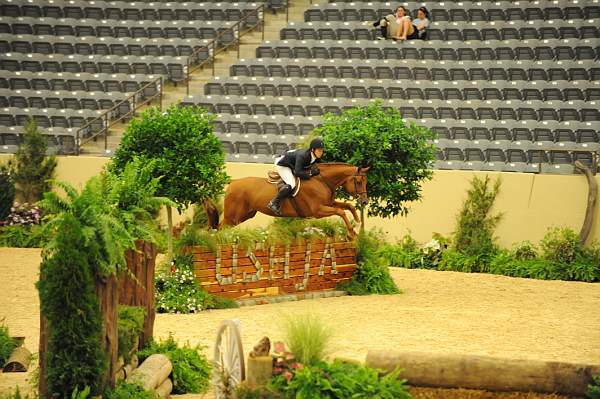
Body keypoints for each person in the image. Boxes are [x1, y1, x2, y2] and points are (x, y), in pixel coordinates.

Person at [267, 137, 324, 215]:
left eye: (322, 150)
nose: (321, 152)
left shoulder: (315, 156)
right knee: (291, 184)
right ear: (312, 150)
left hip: (291, 162)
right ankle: (274, 202)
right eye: (319, 150)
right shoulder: (303, 156)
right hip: (282, 164)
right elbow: (297, 172)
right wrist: (310, 173)